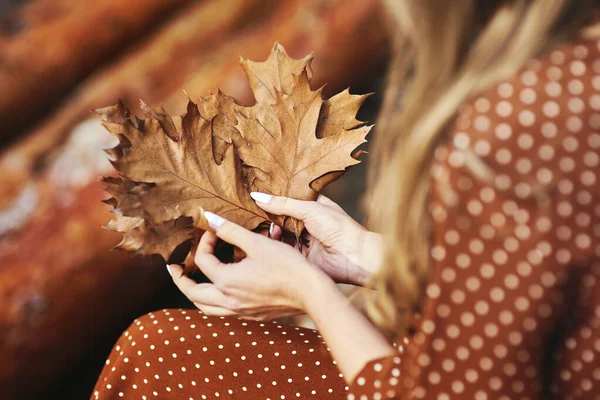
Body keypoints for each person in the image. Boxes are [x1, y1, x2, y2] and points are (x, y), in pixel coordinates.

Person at [91, 0, 600, 398]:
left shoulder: (522, 127)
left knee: (157, 354)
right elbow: (554, 282)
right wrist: (365, 256)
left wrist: (310, 293)